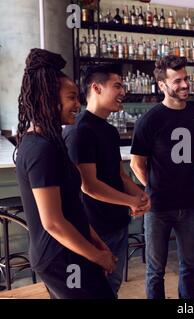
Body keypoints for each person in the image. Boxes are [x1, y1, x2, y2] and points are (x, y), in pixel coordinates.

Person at [15, 48, 116, 299]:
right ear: (48, 98)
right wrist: (99, 257)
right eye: (71, 97)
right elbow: (53, 222)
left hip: (70, 250)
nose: (77, 104)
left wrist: (95, 242)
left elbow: (71, 207)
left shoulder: (50, 141)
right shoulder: (40, 148)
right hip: (59, 257)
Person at [63, 64, 150, 296]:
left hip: (117, 222)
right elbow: (88, 185)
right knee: (95, 289)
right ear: (96, 88)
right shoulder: (80, 130)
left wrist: (139, 195)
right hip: (94, 227)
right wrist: (130, 202)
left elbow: (119, 175)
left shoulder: (109, 130)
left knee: (112, 285)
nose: (123, 92)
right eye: (117, 86)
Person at [130, 55, 194, 299]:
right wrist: (153, 188)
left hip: (191, 204)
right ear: (162, 85)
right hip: (159, 207)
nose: (185, 85)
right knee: (155, 271)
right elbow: (137, 163)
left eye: (186, 79)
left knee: (190, 266)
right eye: (177, 81)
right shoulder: (150, 120)